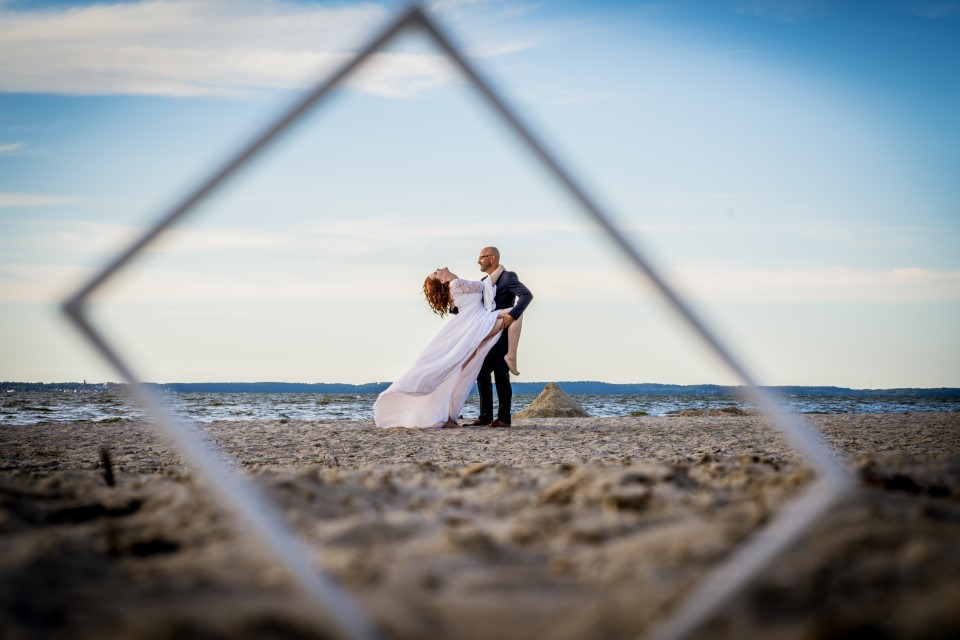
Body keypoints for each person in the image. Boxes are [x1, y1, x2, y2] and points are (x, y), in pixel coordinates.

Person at [373, 266, 514, 429]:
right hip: (474, 325)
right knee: (462, 372)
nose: (438, 269)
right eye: (436, 272)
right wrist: (500, 269)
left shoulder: (454, 288)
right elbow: (485, 285)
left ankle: (450, 416)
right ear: (442, 280)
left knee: (461, 372)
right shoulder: (456, 284)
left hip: (470, 325)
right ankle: (511, 356)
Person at [465, 247, 533, 428]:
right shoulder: (483, 282)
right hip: (486, 333)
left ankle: (504, 418)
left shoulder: (508, 277)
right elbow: (475, 307)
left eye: (481, 257)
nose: (478, 261)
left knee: (501, 374)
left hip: (503, 333)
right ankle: (485, 416)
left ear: (492, 258)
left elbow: (526, 295)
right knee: (481, 373)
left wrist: (513, 315)